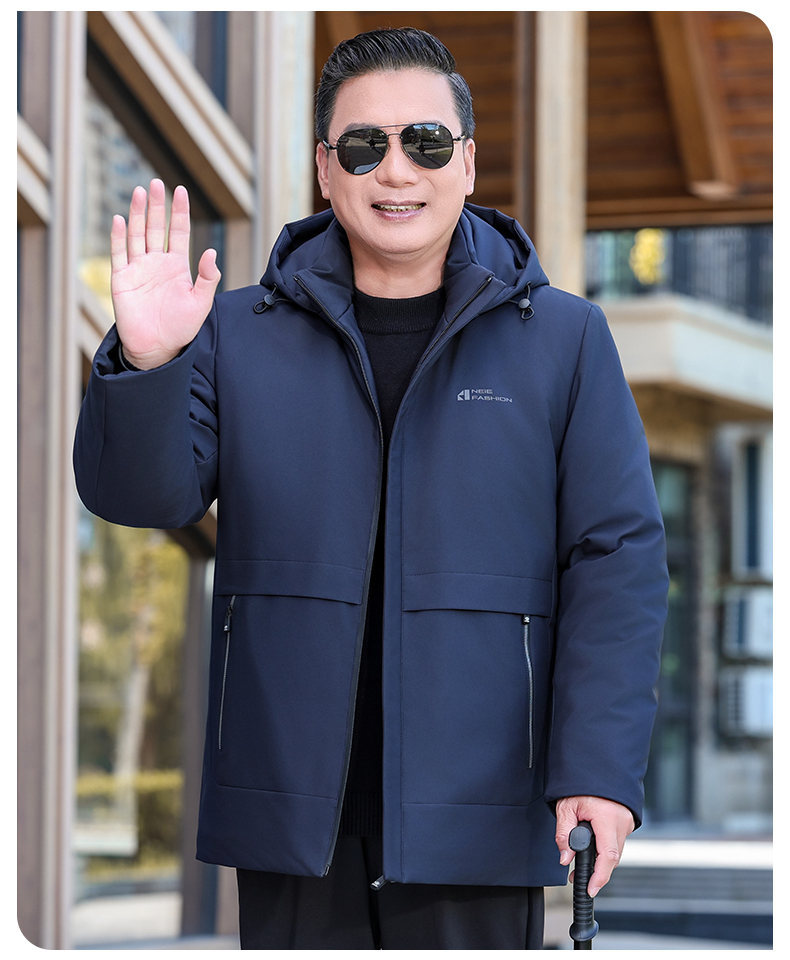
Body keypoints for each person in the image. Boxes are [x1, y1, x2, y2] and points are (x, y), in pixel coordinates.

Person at [74, 26, 668, 950]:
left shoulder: (564, 339)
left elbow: (616, 561)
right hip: (290, 811)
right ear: (325, 168)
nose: (395, 170)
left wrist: (596, 770)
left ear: (467, 163)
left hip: (482, 804)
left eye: (425, 142)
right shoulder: (236, 334)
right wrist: (151, 362)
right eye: (363, 146)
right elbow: (142, 498)